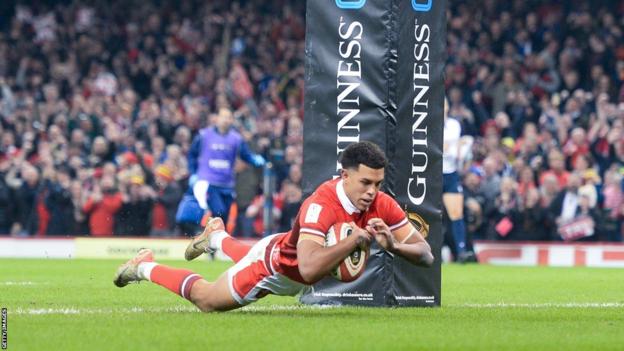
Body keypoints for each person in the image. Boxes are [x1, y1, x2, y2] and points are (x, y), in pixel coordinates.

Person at [114, 141, 433, 312]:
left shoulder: (381, 202)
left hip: (291, 257)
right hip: (275, 266)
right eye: (365, 182)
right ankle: (145, 267)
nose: (372, 192)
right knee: (208, 300)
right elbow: (307, 270)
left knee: (250, 253)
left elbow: (426, 254)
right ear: (344, 176)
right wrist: (353, 242)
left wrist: (394, 246)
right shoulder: (320, 205)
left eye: (377, 184)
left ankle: (217, 237)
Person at [175, 108, 265, 234]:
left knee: (225, 216)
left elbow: (246, 155)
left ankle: (213, 244)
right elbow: (192, 155)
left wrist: (255, 159)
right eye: (223, 117)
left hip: (227, 184)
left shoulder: (236, 139)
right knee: (218, 210)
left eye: (229, 118)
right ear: (217, 119)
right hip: (209, 182)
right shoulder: (204, 135)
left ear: (232, 120)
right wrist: (193, 172)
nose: (226, 120)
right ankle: (201, 234)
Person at [443, 99, 475, 262]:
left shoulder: (455, 125)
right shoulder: (426, 124)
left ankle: (461, 251)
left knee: (456, 213)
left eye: (445, 104)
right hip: (432, 174)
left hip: (450, 173)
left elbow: (459, 147)